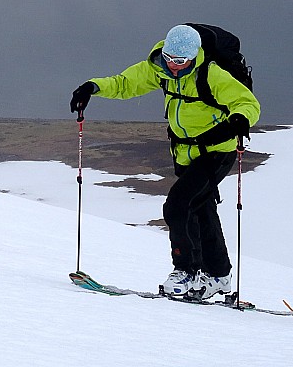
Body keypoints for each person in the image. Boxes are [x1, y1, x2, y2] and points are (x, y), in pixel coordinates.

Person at [69, 24, 260, 299]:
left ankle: (187, 271)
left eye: (181, 62)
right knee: (201, 209)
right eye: (170, 59)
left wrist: (239, 121)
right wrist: (92, 87)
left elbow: (248, 103)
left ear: (194, 57)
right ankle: (219, 276)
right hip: (184, 153)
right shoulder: (158, 68)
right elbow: (125, 83)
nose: (173, 66)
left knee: (178, 205)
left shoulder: (211, 74)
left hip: (217, 151)